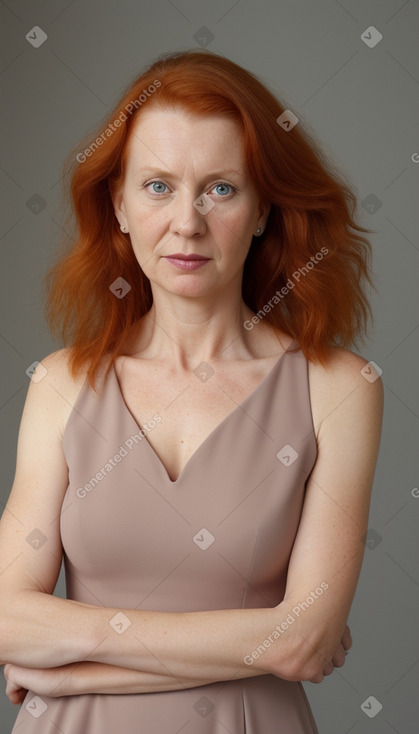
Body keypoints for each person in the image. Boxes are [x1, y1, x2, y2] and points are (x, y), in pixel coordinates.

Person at [1, 50, 383, 733]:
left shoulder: (339, 390)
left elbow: (303, 641)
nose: (186, 222)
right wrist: (259, 641)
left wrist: (73, 660)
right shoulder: (61, 384)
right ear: (117, 204)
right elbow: (4, 617)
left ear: (264, 207)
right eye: (157, 186)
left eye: (220, 189)